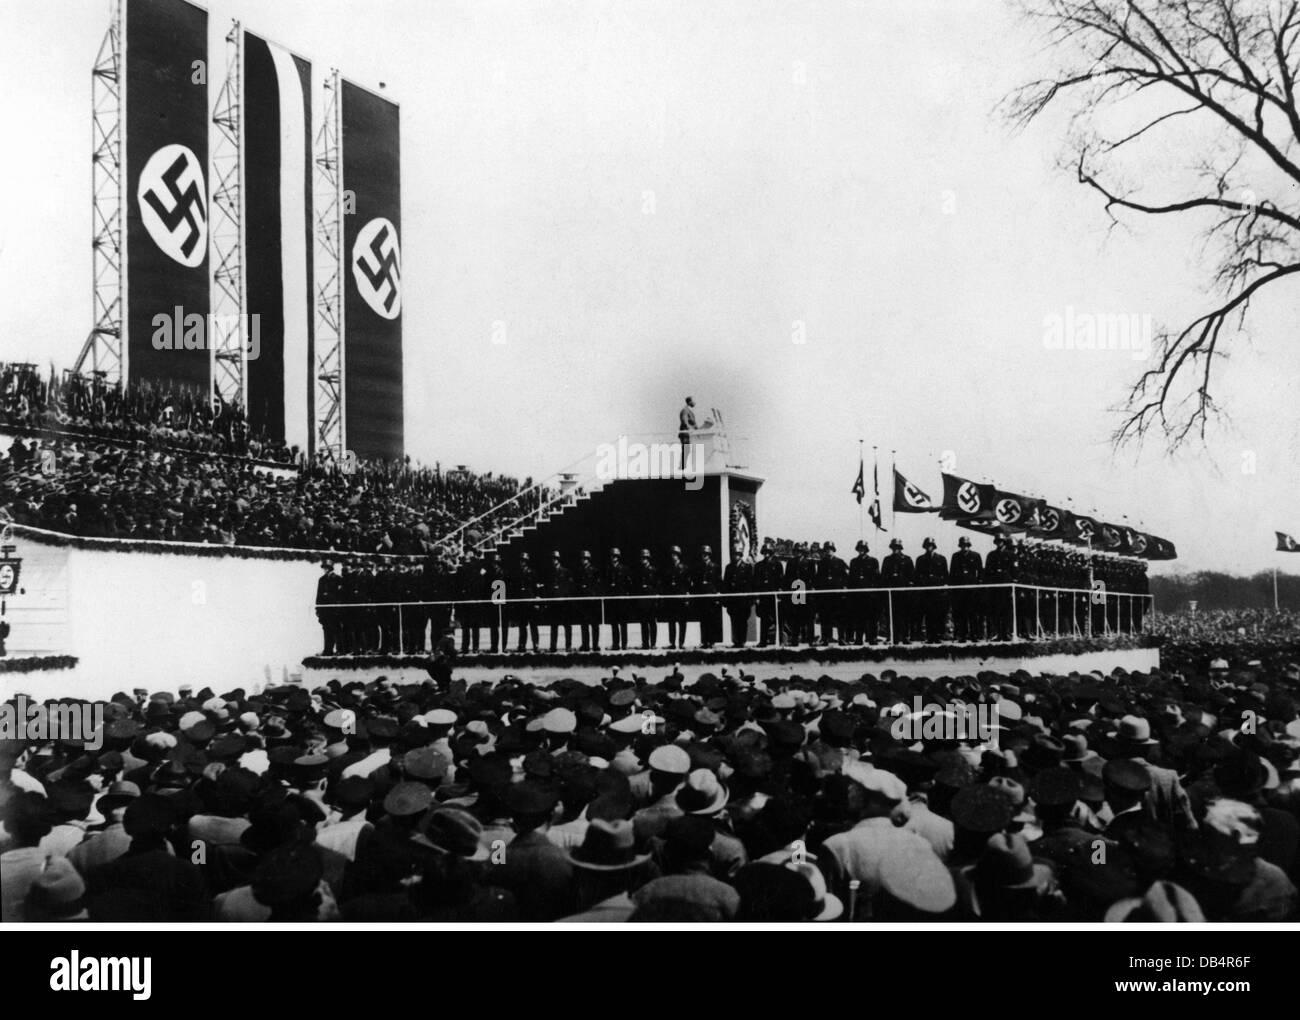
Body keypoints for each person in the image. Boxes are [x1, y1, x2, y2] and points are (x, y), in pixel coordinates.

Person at [915, 537, 949, 643]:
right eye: (927, 545)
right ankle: (930, 636)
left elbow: (945, 575)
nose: (929, 547)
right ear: (925, 547)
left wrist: (942, 586)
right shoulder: (920, 559)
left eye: (930, 545)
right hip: (926, 591)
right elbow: (917, 575)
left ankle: (938, 636)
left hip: (937, 591)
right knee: (929, 614)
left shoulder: (941, 559)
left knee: (938, 614)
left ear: (933, 546)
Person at [950, 536, 983, 641]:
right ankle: (962, 636)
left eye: (966, 545)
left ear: (969, 545)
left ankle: (974, 635)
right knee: (962, 613)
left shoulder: (976, 555)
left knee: (973, 613)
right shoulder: (956, 556)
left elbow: (980, 573)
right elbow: (952, 573)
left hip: (972, 589)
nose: (964, 547)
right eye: (963, 545)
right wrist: (954, 588)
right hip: (960, 589)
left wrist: (978, 586)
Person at [880, 538, 914, 643]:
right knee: (891, 615)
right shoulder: (887, 560)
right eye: (893, 547)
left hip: (903, 592)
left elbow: (911, 576)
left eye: (897, 547)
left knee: (904, 615)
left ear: (900, 548)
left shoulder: (907, 559)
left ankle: (905, 637)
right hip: (891, 592)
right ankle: (891, 637)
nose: (895, 549)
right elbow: (883, 576)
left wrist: (908, 588)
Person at [722, 545, 754, 648]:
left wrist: (750, 599)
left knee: (743, 620)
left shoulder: (747, 567)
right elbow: (726, 584)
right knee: (734, 620)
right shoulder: (729, 567)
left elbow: (750, 584)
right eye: (734, 554)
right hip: (733, 600)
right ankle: (736, 641)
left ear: (741, 555)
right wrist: (725, 599)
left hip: (743, 600)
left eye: (737, 554)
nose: (735, 556)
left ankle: (742, 641)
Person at [545, 550, 574, 653]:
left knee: (567, 625)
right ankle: (553, 646)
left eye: (556, 559)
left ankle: (568, 645)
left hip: (564, 603)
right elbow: (548, 588)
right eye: (553, 559)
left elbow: (569, 587)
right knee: (554, 625)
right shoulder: (550, 573)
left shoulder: (566, 572)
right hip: (554, 603)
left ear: (559, 560)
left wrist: (566, 598)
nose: (554, 561)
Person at [631, 548, 659, 649]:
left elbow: (657, 585)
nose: (644, 560)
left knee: (652, 623)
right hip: (642, 600)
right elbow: (636, 585)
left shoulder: (653, 570)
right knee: (643, 623)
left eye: (645, 558)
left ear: (648, 559)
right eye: (642, 558)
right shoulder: (638, 571)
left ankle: (653, 643)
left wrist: (654, 596)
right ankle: (645, 643)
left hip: (651, 600)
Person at [605, 548, 632, 651]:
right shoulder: (609, 569)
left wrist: (625, 595)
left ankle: (624, 644)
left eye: (615, 556)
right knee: (614, 623)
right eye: (612, 556)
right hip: (613, 600)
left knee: (623, 623)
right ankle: (616, 644)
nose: (613, 558)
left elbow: (628, 584)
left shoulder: (624, 569)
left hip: (621, 600)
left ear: (618, 557)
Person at [315, 560, 342, 655]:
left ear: (331, 568)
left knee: (336, 629)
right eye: (324, 567)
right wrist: (317, 608)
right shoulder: (321, 579)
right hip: (324, 610)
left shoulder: (338, 578)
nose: (325, 569)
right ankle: (328, 649)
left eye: (327, 567)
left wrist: (337, 608)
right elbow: (318, 595)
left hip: (333, 609)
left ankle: (339, 649)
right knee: (326, 629)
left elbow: (340, 595)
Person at [677, 396, 697, 471]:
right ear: (689, 402)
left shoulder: (690, 411)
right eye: (693, 401)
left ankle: (683, 467)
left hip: (690, 434)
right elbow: (684, 421)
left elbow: (693, 424)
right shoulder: (685, 411)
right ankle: (682, 467)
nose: (695, 403)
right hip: (685, 434)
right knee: (686, 449)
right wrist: (690, 429)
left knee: (688, 450)